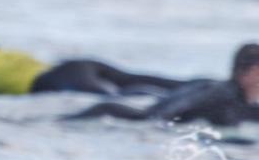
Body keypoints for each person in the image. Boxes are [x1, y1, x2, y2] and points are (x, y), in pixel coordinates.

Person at [0, 24, 185, 98]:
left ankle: (176, 101)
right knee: (134, 80)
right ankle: (199, 86)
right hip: (76, 67)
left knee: (121, 98)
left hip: (63, 79)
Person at [63, 43, 259, 126]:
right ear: (249, 72)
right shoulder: (223, 94)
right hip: (132, 119)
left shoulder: (234, 98)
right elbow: (171, 113)